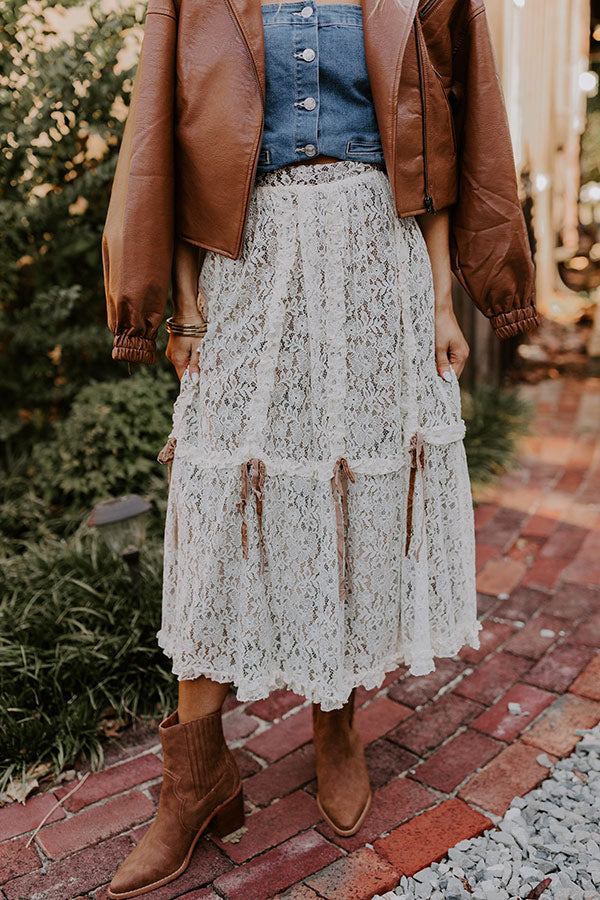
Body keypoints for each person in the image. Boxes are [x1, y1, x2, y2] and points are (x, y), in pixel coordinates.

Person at [101, 0, 540, 895]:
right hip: (247, 256)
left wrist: (444, 300)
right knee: (216, 495)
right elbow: (170, 126)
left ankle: (336, 715)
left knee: (352, 490)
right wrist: (179, 304)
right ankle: (194, 776)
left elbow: (451, 131)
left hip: (376, 253)